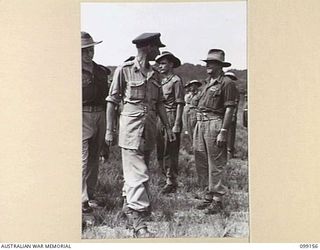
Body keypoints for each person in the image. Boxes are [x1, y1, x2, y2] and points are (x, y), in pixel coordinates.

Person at [105, 33, 175, 238]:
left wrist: (168, 126)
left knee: (137, 172)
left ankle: (128, 208)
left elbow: (160, 102)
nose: (159, 52)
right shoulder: (124, 70)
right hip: (131, 130)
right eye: (156, 47)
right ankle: (139, 221)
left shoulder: (155, 74)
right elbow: (112, 101)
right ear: (146, 48)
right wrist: (110, 130)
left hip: (149, 130)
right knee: (138, 172)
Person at [193, 49, 238, 214]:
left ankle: (217, 200)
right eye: (207, 63)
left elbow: (229, 109)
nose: (208, 66)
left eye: (212, 63)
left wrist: (224, 130)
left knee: (216, 163)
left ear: (220, 66)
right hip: (200, 123)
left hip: (215, 123)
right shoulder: (207, 82)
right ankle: (208, 196)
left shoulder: (227, 83)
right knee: (201, 160)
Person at [81, 31, 111, 213]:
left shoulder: (101, 71)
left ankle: (90, 195)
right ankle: (81, 199)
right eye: (84, 50)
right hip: (81, 114)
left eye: (90, 49)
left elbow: (108, 97)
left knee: (94, 158)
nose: (88, 53)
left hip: (100, 114)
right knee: (81, 159)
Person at [154, 51, 185, 194]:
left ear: (171, 64)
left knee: (170, 150)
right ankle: (165, 176)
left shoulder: (176, 81)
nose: (160, 66)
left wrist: (177, 124)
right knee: (160, 149)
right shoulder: (161, 81)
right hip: (160, 118)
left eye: (163, 63)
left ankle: (171, 180)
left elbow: (180, 103)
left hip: (171, 116)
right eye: (159, 63)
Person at [224, 71, 240, 159]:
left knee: (230, 134)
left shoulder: (235, 90)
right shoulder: (225, 88)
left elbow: (235, 104)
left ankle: (230, 152)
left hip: (231, 114)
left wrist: (233, 115)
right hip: (224, 115)